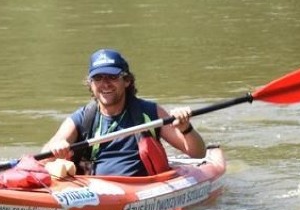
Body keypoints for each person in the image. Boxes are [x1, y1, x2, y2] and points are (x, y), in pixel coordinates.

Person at [43, 49, 207, 176]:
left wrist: (185, 128)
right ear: (90, 84)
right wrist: (56, 147)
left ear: (127, 81)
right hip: (93, 190)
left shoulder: (150, 112)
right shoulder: (83, 118)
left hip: (138, 189)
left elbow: (197, 153)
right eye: (98, 78)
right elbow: (47, 151)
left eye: (112, 77)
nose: (105, 84)